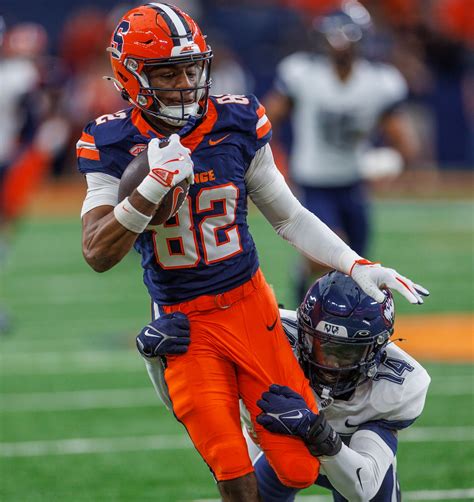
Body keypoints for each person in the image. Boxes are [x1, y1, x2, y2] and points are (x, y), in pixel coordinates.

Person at [77, 4, 428, 500]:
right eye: (168, 73)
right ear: (130, 75)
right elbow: (97, 251)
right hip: (185, 319)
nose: (185, 84)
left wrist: (356, 263)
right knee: (232, 468)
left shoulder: (237, 120)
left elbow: (289, 216)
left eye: (191, 69)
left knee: (298, 466)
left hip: (250, 305)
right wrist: (151, 188)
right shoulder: (111, 140)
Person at [136, 271, 430, 501]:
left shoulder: (402, 382)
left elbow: (362, 488)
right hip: (277, 440)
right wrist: (157, 362)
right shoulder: (267, 332)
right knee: (245, 491)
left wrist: (315, 431)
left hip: (351, 456)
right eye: (322, 346)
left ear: (377, 347)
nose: (332, 362)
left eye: (346, 352)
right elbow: (198, 408)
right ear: (303, 332)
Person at [263, 1, 420, 301]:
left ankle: (338, 314)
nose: (339, 44)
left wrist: (394, 162)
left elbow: (404, 140)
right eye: (334, 36)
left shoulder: (379, 81)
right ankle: (305, 294)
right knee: (328, 252)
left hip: (352, 180)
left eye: (346, 36)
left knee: (357, 262)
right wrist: (271, 163)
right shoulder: (303, 73)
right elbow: (267, 120)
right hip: (313, 179)